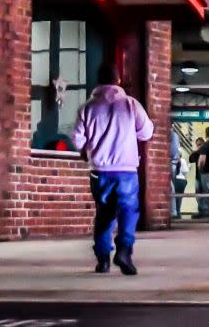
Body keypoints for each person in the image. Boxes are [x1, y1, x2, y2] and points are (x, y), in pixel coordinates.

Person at [71, 62, 152, 275]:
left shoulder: (87, 108)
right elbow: (146, 132)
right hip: (126, 170)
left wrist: (86, 151)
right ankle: (124, 250)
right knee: (128, 211)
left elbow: (77, 139)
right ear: (118, 80)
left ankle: (103, 259)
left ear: (98, 81)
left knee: (104, 214)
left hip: (100, 171)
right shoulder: (131, 104)